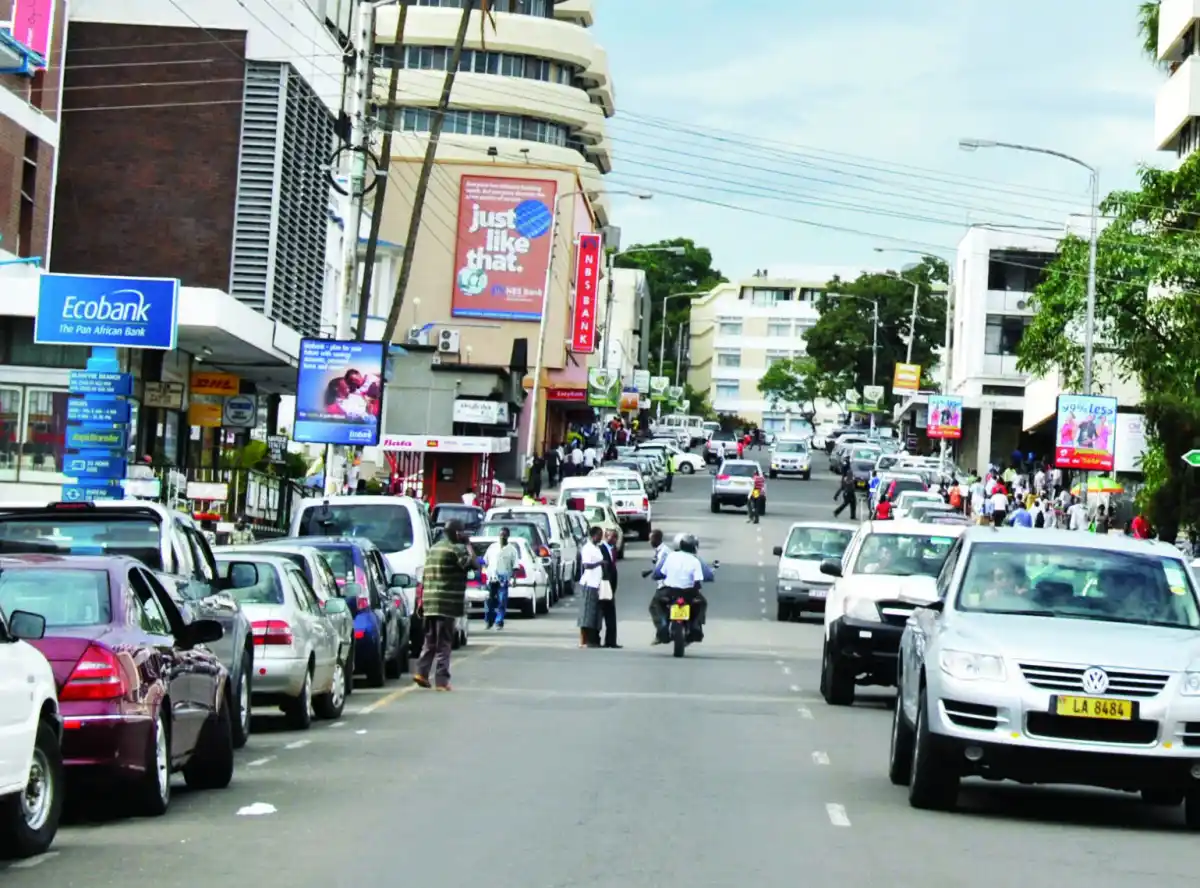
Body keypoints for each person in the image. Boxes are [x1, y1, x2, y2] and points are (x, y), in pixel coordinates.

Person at [413, 519, 473, 691]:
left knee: (430, 640)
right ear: (457, 533)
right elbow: (472, 564)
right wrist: (468, 545)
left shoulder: (433, 549)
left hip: (429, 602)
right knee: (444, 642)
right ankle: (441, 681)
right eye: (462, 532)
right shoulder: (456, 549)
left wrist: (421, 601)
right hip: (446, 603)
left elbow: (424, 576)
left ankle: (421, 673)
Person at [651, 533, 708, 644]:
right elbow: (697, 581)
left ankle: (662, 626)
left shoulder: (670, 556)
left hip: (669, 591)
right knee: (702, 603)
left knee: (655, 604)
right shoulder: (695, 560)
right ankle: (696, 626)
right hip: (688, 593)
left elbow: (661, 573)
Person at [483, 527, 518, 630]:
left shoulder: (512, 550)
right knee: (489, 600)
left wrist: (514, 579)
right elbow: (485, 562)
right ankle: (489, 620)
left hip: (504, 578)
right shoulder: (492, 547)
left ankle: (499, 621)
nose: (502, 537)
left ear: (508, 536)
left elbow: (515, 566)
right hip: (491, 577)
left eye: (504, 535)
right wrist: (484, 573)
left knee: (502, 600)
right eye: (501, 535)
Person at [576, 527, 605, 648]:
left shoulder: (597, 548)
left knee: (595, 614)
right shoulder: (587, 548)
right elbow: (586, 565)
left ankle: (593, 640)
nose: (601, 537)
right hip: (589, 584)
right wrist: (600, 563)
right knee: (586, 614)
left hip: (597, 584)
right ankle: (583, 641)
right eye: (599, 535)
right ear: (593, 535)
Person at [598, 529, 621, 649]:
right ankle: (596, 639)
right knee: (601, 613)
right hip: (604, 586)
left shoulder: (613, 549)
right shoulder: (601, 549)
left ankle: (611, 641)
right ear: (606, 537)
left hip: (611, 586)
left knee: (611, 614)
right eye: (612, 537)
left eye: (616, 537)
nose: (615, 539)